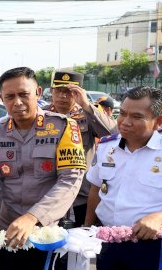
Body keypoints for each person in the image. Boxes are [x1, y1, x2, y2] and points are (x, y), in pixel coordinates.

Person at [0, 67, 87, 270]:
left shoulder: (64, 127)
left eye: (24, 94)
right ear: (1, 99)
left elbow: (70, 180)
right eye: (10, 97)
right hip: (9, 236)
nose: (18, 102)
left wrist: (32, 217)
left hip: (51, 234)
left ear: (38, 92)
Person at [84, 86, 162, 270]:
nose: (125, 122)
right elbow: (96, 190)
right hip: (109, 242)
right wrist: (87, 228)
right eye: (122, 113)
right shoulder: (106, 147)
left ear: (159, 121)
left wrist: (158, 217)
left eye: (137, 116)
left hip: (154, 247)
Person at [44, 71, 117, 226]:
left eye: (69, 92)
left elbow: (116, 134)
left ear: (79, 92)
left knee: (80, 242)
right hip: (48, 192)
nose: (63, 96)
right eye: (59, 91)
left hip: (80, 194)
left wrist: (86, 105)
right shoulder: (42, 114)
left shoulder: (88, 114)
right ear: (51, 91)